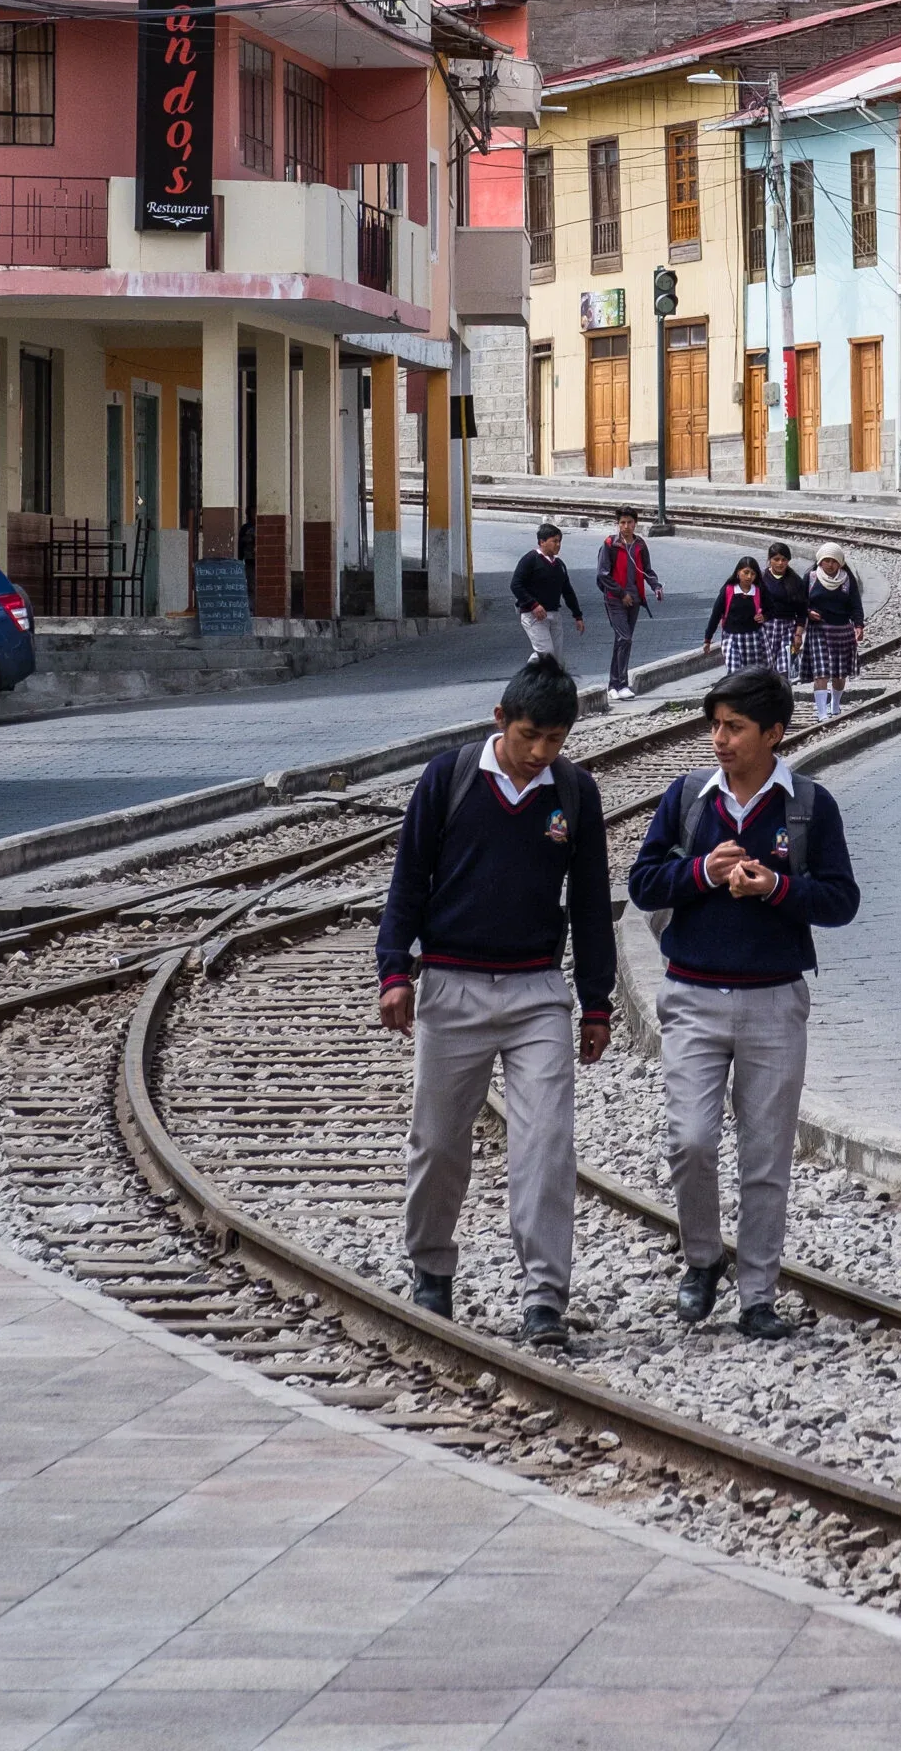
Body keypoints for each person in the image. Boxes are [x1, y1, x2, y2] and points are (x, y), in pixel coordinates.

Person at [376, 658, 614, 1345]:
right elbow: (407, 882)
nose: (540, 752)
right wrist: (395, 970)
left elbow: (592, 905)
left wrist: (594, 1002)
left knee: (546, 1144)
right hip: (450, 986)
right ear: (500, 721)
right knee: (439, 1144)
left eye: (555, 739)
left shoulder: (575, 793)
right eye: (530, 735)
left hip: (538, 992)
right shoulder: (447, 779)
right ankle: (430, 1268)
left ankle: (544, 1298)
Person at [627, 671, 860, 1340]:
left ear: (773, 735)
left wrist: (776, 888)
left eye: (733, 727)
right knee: (690, 1141)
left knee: (765, 1159)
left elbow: (841, 901)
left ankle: (757, 1293)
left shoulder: (808, 806)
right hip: (692, 997)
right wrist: (700, 873)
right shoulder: (686, 801)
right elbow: (642, 885)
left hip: (774, 1003)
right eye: (716, 725)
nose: (719, 739)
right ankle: (702, 1257)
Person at [596, 507, 662, 702]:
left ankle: (613, 684)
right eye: (622, 523)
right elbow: (603, 574)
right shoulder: (610, 544)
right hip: (615, 599)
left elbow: (647, 570)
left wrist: (656, 586)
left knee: (621, 639)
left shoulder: (640, 545)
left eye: (629, 523)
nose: (626, 527)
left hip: (634, 598)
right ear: (618, 524)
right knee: (625, 638)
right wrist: (620, 593)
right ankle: (622, 684)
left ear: (635, 523)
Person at [802, 541, 865, 723]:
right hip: (819, 631)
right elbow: (800, 602)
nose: (830, 565)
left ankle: (835, 705)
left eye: (834, 561)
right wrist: (807, 613)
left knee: (839, 673)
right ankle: (821, 713)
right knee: (820, 672)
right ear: (820, 561)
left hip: (842, 631)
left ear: (840, 562)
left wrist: (859, 625)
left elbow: (855, 605)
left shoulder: (847, 580)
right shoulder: (811, 578)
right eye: (826, 560)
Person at [510, 521, 584, 673]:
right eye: (554, 541)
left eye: (559, 541)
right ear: (542, 542)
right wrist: (533, 605)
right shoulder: (530, 560)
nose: (558, 545)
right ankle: (531, 680)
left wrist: (577, 615)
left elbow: (567, 591)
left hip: (554, 614)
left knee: (556, 658)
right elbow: (516, 585)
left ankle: (535, 677)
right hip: (534, 616)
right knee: (547, 655)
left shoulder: (559, 565)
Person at [706, 556, 771, 675]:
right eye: (746, 572)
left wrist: (764, 616)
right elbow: (716, 614)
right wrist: (708, 639)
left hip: (754, 639)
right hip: (732, 638)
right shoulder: (728, 590)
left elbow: (771, 609)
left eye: (752, 574)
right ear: (738, 572)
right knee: (735, 674)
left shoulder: (759, 590)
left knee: (753, 675)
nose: (749, 577)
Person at [759, 541, 809, 675]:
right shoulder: (760, 579)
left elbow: (802, 611)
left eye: (784, 560)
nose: (780, 563)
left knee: (786, 668)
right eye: (776, 559)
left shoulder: (796, 581)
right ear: (769, 560)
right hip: (765, 628)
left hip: (788, 629)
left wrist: (798, 635)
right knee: (763, 669)